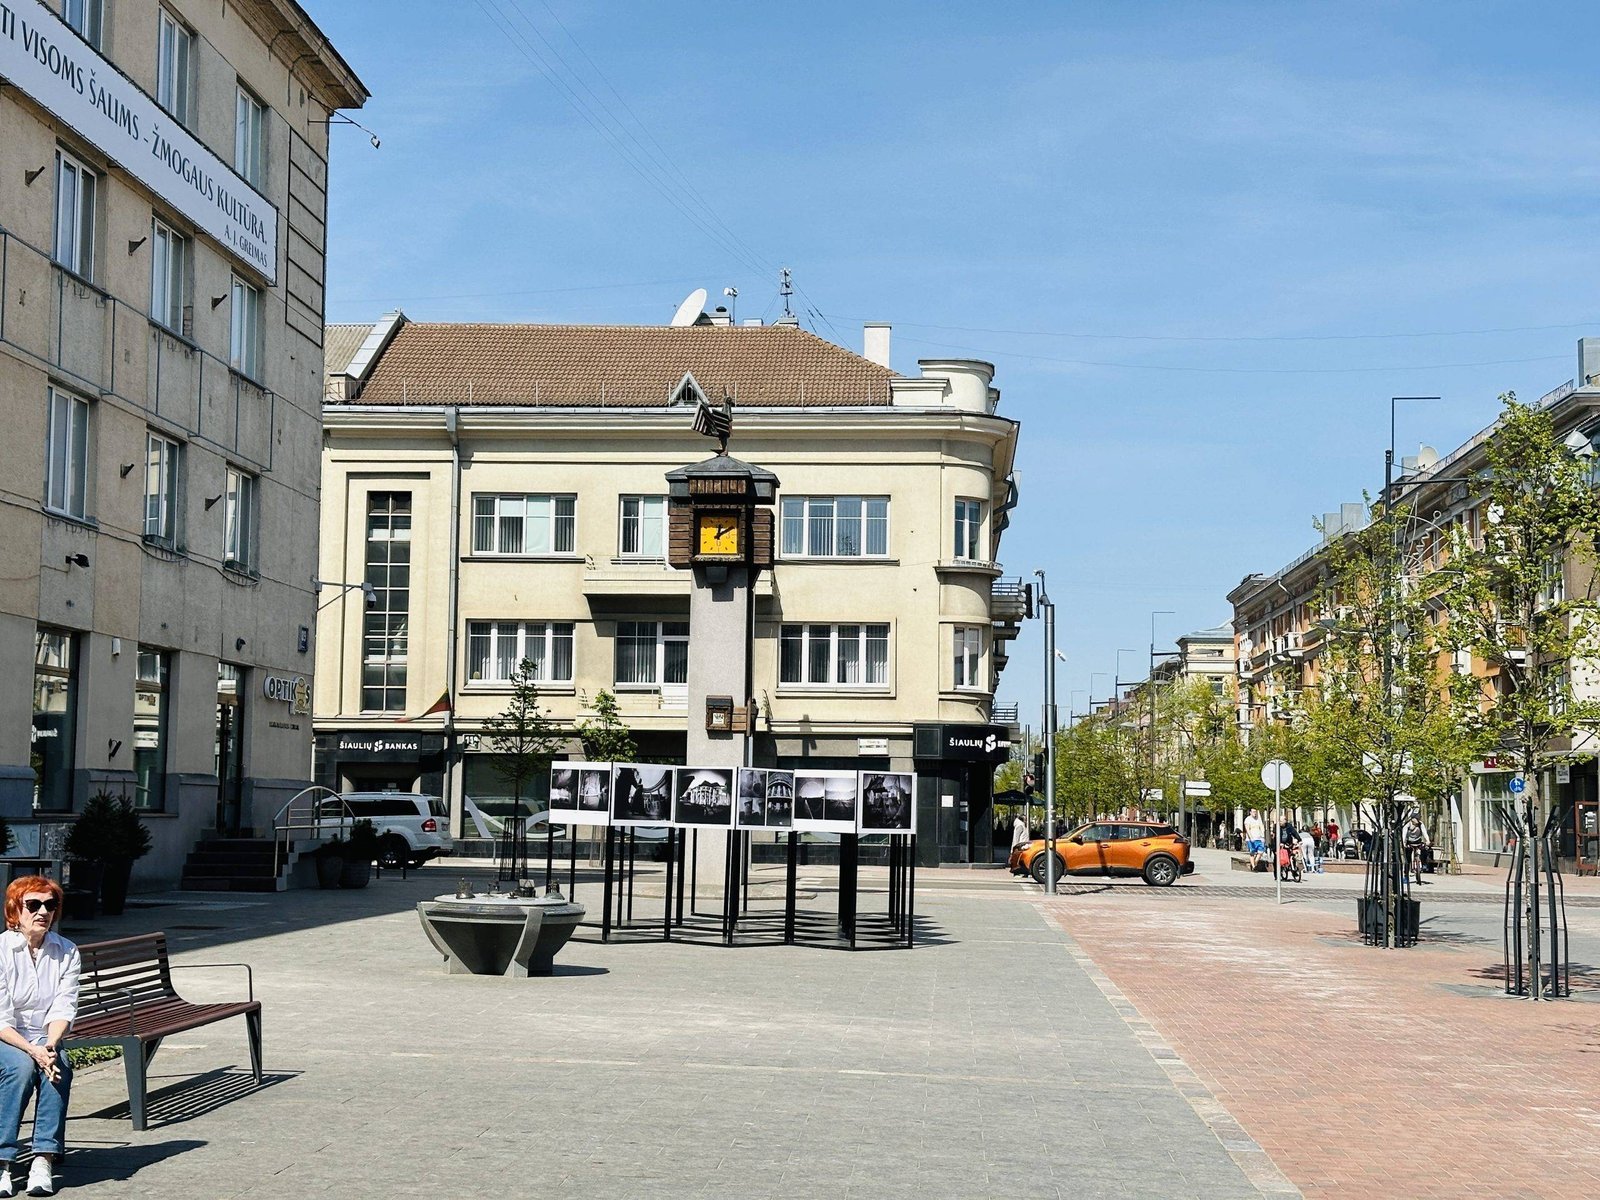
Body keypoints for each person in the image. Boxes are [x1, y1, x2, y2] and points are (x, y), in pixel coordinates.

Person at [0, 876, 77, 1197]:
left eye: (50, 905)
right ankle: (3, 1161)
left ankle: (43, 1158)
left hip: (44, 1038)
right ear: (15, 911)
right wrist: (33, 1051)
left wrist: (48, 1046)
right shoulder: (1, 950)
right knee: (19, 1068)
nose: (43, 911)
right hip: (6, 1036)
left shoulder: (67, 951)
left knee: (59, 1066)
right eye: (33, 905)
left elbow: (63, 1006)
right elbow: (1, 1018)